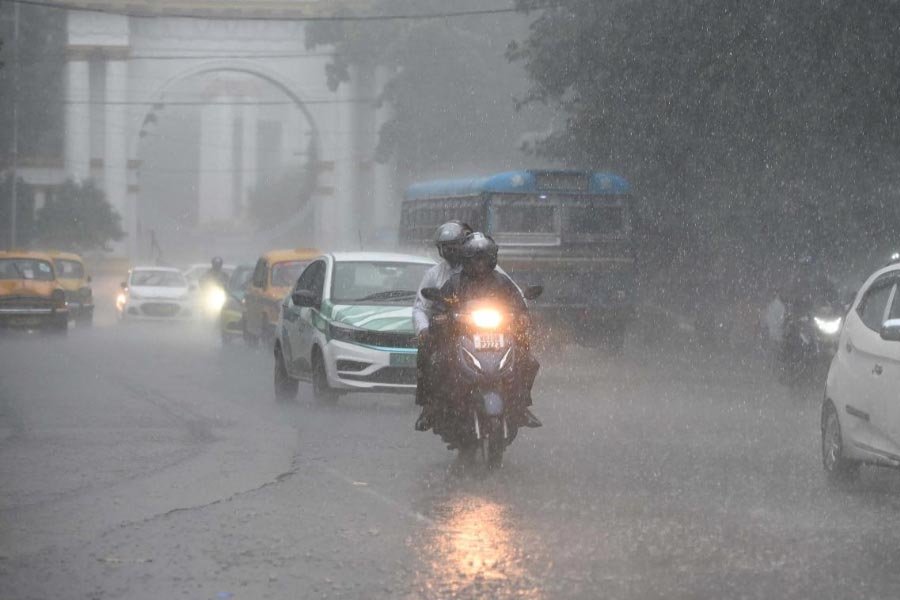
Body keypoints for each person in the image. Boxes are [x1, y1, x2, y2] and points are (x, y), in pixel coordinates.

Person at [431, 232, 542, 430]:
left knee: (528, 361)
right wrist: (441, 317)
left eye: (484, 259)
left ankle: (522, 406)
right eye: (475, 260)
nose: (480, 264)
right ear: (466, 260)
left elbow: (519, 304)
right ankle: (434, 409)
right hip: (463, 338)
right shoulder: (455, 283)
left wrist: (523, 316)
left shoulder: (502, 282)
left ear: (492, 259)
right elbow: (440, 307)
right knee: (438, 361)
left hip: (500, 337)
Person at [413, 221, 473, 431]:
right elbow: (421, 307)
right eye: (445, 247)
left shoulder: (483, 268)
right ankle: (428, 406)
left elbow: (510, 290)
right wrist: (423, 329)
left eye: (454, 246)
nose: (450, 251)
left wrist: (520, 312)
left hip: (485, 334)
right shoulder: (434, 274)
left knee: (523, 358)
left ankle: (518, 404)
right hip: (448, 334)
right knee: (430, 359)